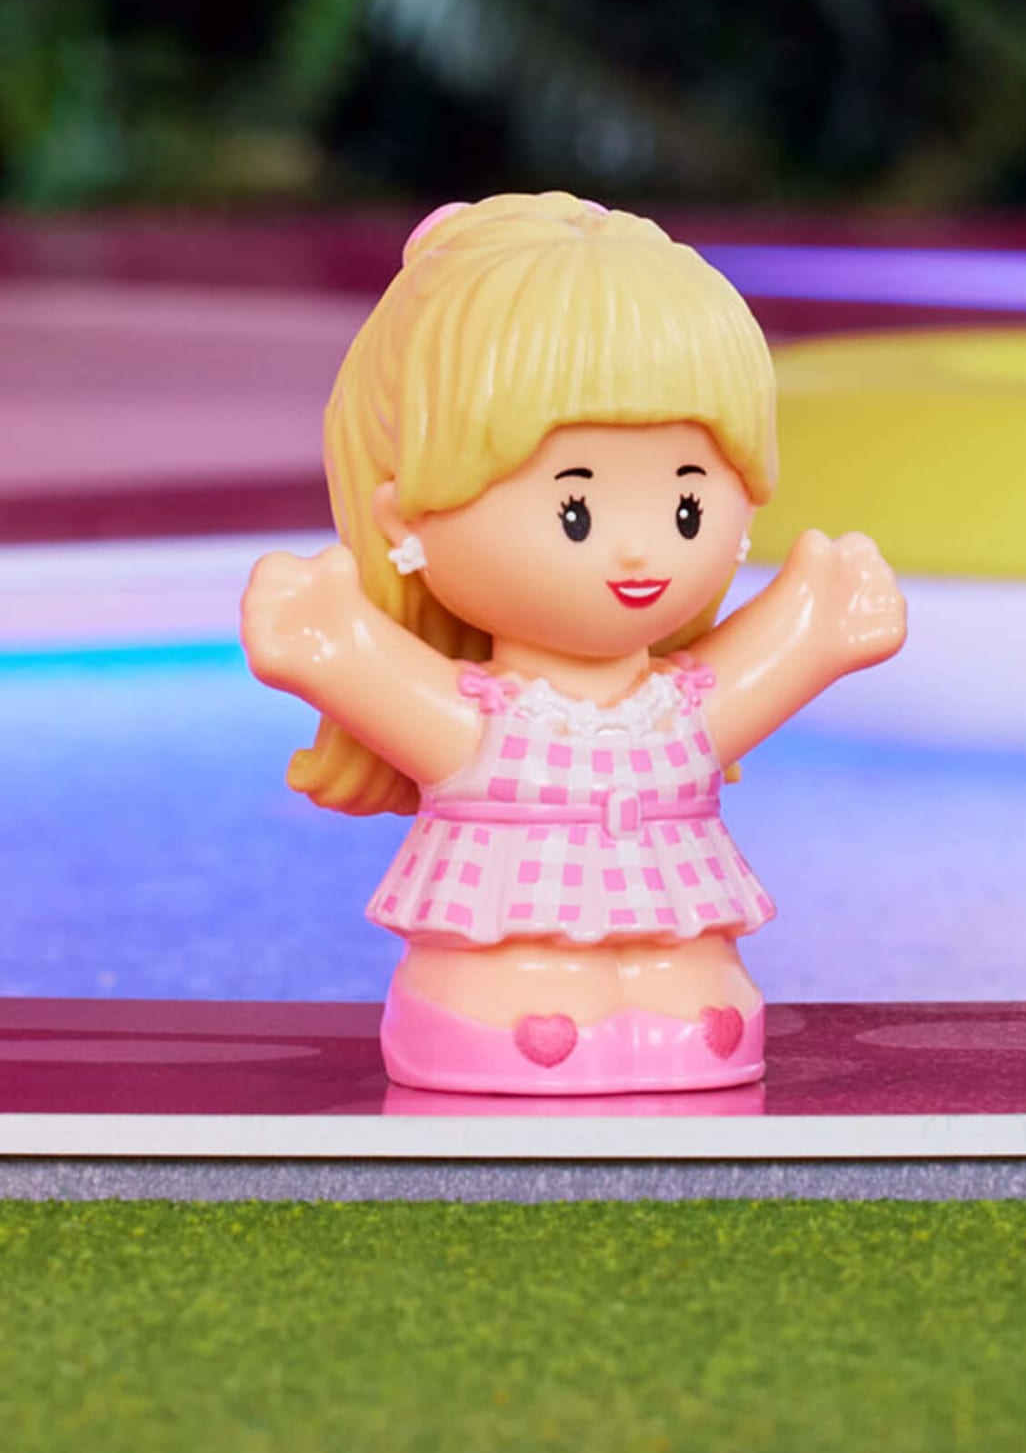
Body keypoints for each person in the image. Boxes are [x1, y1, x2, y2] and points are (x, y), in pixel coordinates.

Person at [241, 192, 905, 1093]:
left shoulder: (674, 702)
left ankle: (682, 1008)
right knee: (521, 996)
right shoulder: (476, 717)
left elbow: (744, 692)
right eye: (577, 511)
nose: (639, 552)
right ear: (405, 520)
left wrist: (818, 628)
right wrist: (335, 646)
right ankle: (518, 1018)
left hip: (675, 938)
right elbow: (381, 686)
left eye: (687, 506)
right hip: (505, 961)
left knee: (695, 993)